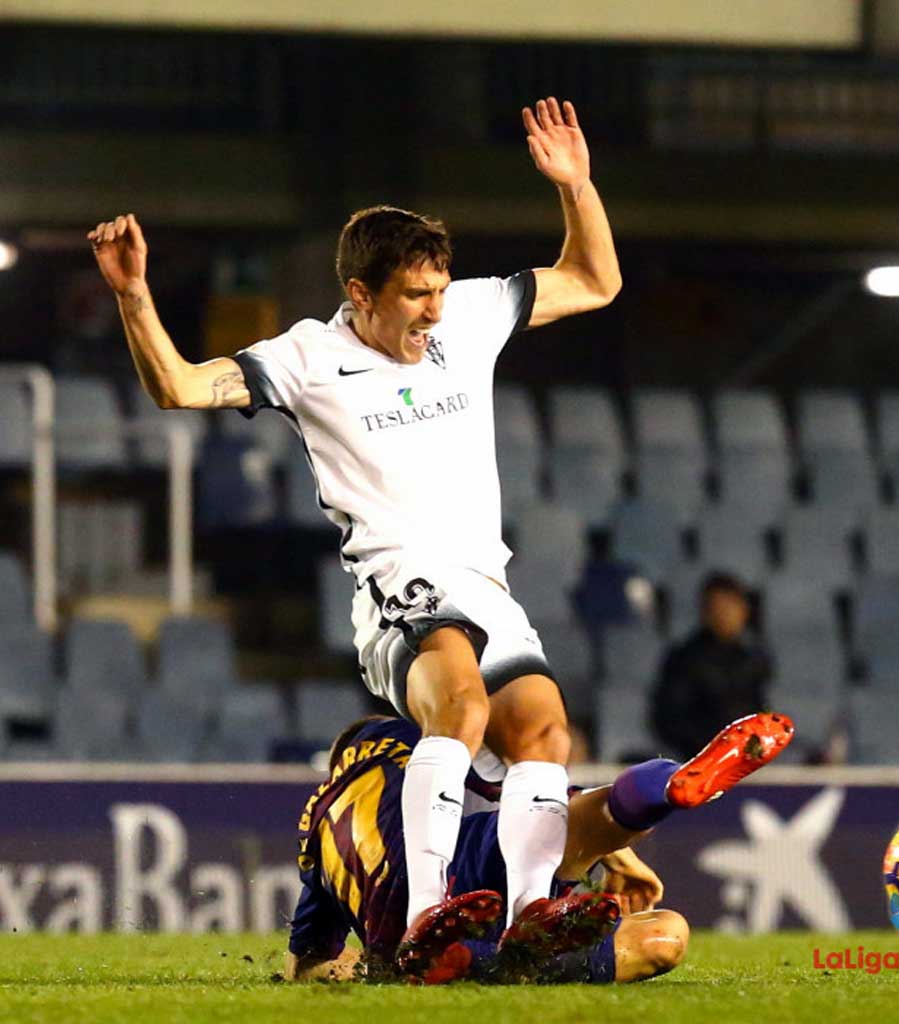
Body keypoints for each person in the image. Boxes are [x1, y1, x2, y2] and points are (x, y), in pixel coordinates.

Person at [87, 96, 621, 975]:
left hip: (484, 580)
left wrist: (577, 186)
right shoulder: (305, 360)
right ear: (359, 294)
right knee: (464, 706)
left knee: (542, 734)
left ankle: (531, 916)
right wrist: (137, 298)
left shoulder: (473, 316)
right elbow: (180, 389)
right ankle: (423, 915)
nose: (434, 312)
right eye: (414, 295)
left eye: (440, 289)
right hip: (397, 587)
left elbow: (594, 280)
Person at [283, 709, 795, 984]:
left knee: (664, 938)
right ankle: (667, 786)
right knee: (574, 822)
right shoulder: (406, 743)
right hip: (463, 853)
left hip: (406, 924)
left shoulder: (316, 834)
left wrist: (375, 966)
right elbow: (513, 784)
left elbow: (307, 966)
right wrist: (609, 847)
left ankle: (465, 960)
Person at [651, 573, 772, 759]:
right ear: (705, 612)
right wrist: (716, 747)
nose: (725, 614)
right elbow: (669, 720)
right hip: (699, 762)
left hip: (748, 760)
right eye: (718, 607)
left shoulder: (755, 660)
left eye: (732, 606)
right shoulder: (684, 659)